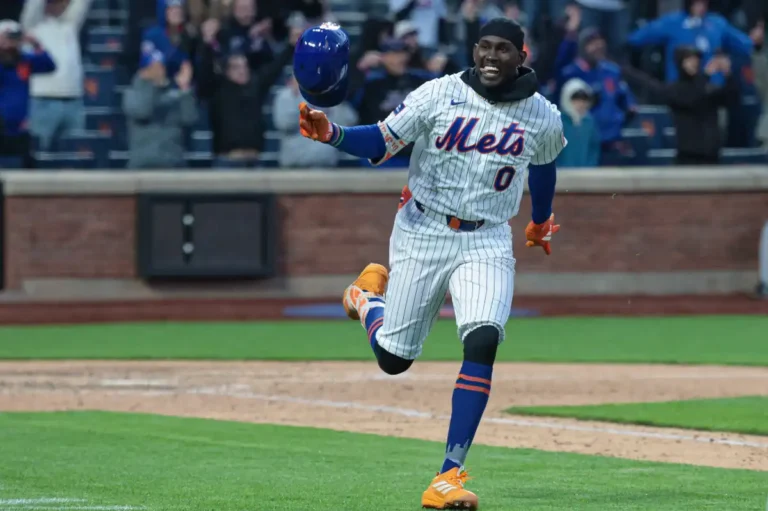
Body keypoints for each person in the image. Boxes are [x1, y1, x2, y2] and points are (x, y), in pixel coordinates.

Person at [297, 18, 565, 510]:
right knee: (393, 360)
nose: (490, 56)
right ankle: (366, 298)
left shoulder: (543, 116)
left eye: (502, 49)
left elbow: (544, 168)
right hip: (422, 229)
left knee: (483, 338)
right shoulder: (438, 94)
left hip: (487, 237)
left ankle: (447, 476)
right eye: (484, 47)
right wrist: (332, 133)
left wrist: (540, 220)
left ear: (521, 57)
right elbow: (382, 141)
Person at [20, 0, 93, 151]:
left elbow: (82, 4)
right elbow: (33, 5)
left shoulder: (69, 25)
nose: (60, 5)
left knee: (74, 157)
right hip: (42, 100)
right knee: (40, 154)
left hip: (73, 101)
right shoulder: (32, 25)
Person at [122, 50, 198, 169]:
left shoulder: (175, 96)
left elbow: (189, 119)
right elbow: (143, 111)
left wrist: (185, 88)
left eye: (161, 67)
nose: (158, 72)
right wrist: (149, 83)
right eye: (152, 68)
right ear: (142, 71)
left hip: (173, 166)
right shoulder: (131, 95)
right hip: (142, 167)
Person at [0, 19, 55, 168]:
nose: (11, 42)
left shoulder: (24, 60)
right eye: (8, 37)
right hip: (1, 124)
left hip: (21, 126)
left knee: (23, 165)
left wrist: (35, 44)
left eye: (15, 37)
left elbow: (49, 65)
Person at [272, 73, 358, 168]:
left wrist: (337, 101)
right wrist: (297, 99)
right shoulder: (287, 95)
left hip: (324, 164)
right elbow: (284, 123)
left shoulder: (330, 96)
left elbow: (348, 123)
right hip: (294, 164)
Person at [558, 77, 601, 167]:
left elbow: (594, 149)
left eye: (584, 100)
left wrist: (590, 167)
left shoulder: (589, 122)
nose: (580, 104)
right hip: (562, 173)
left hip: (586, 173)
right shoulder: (558, 122)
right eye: (576, 100)